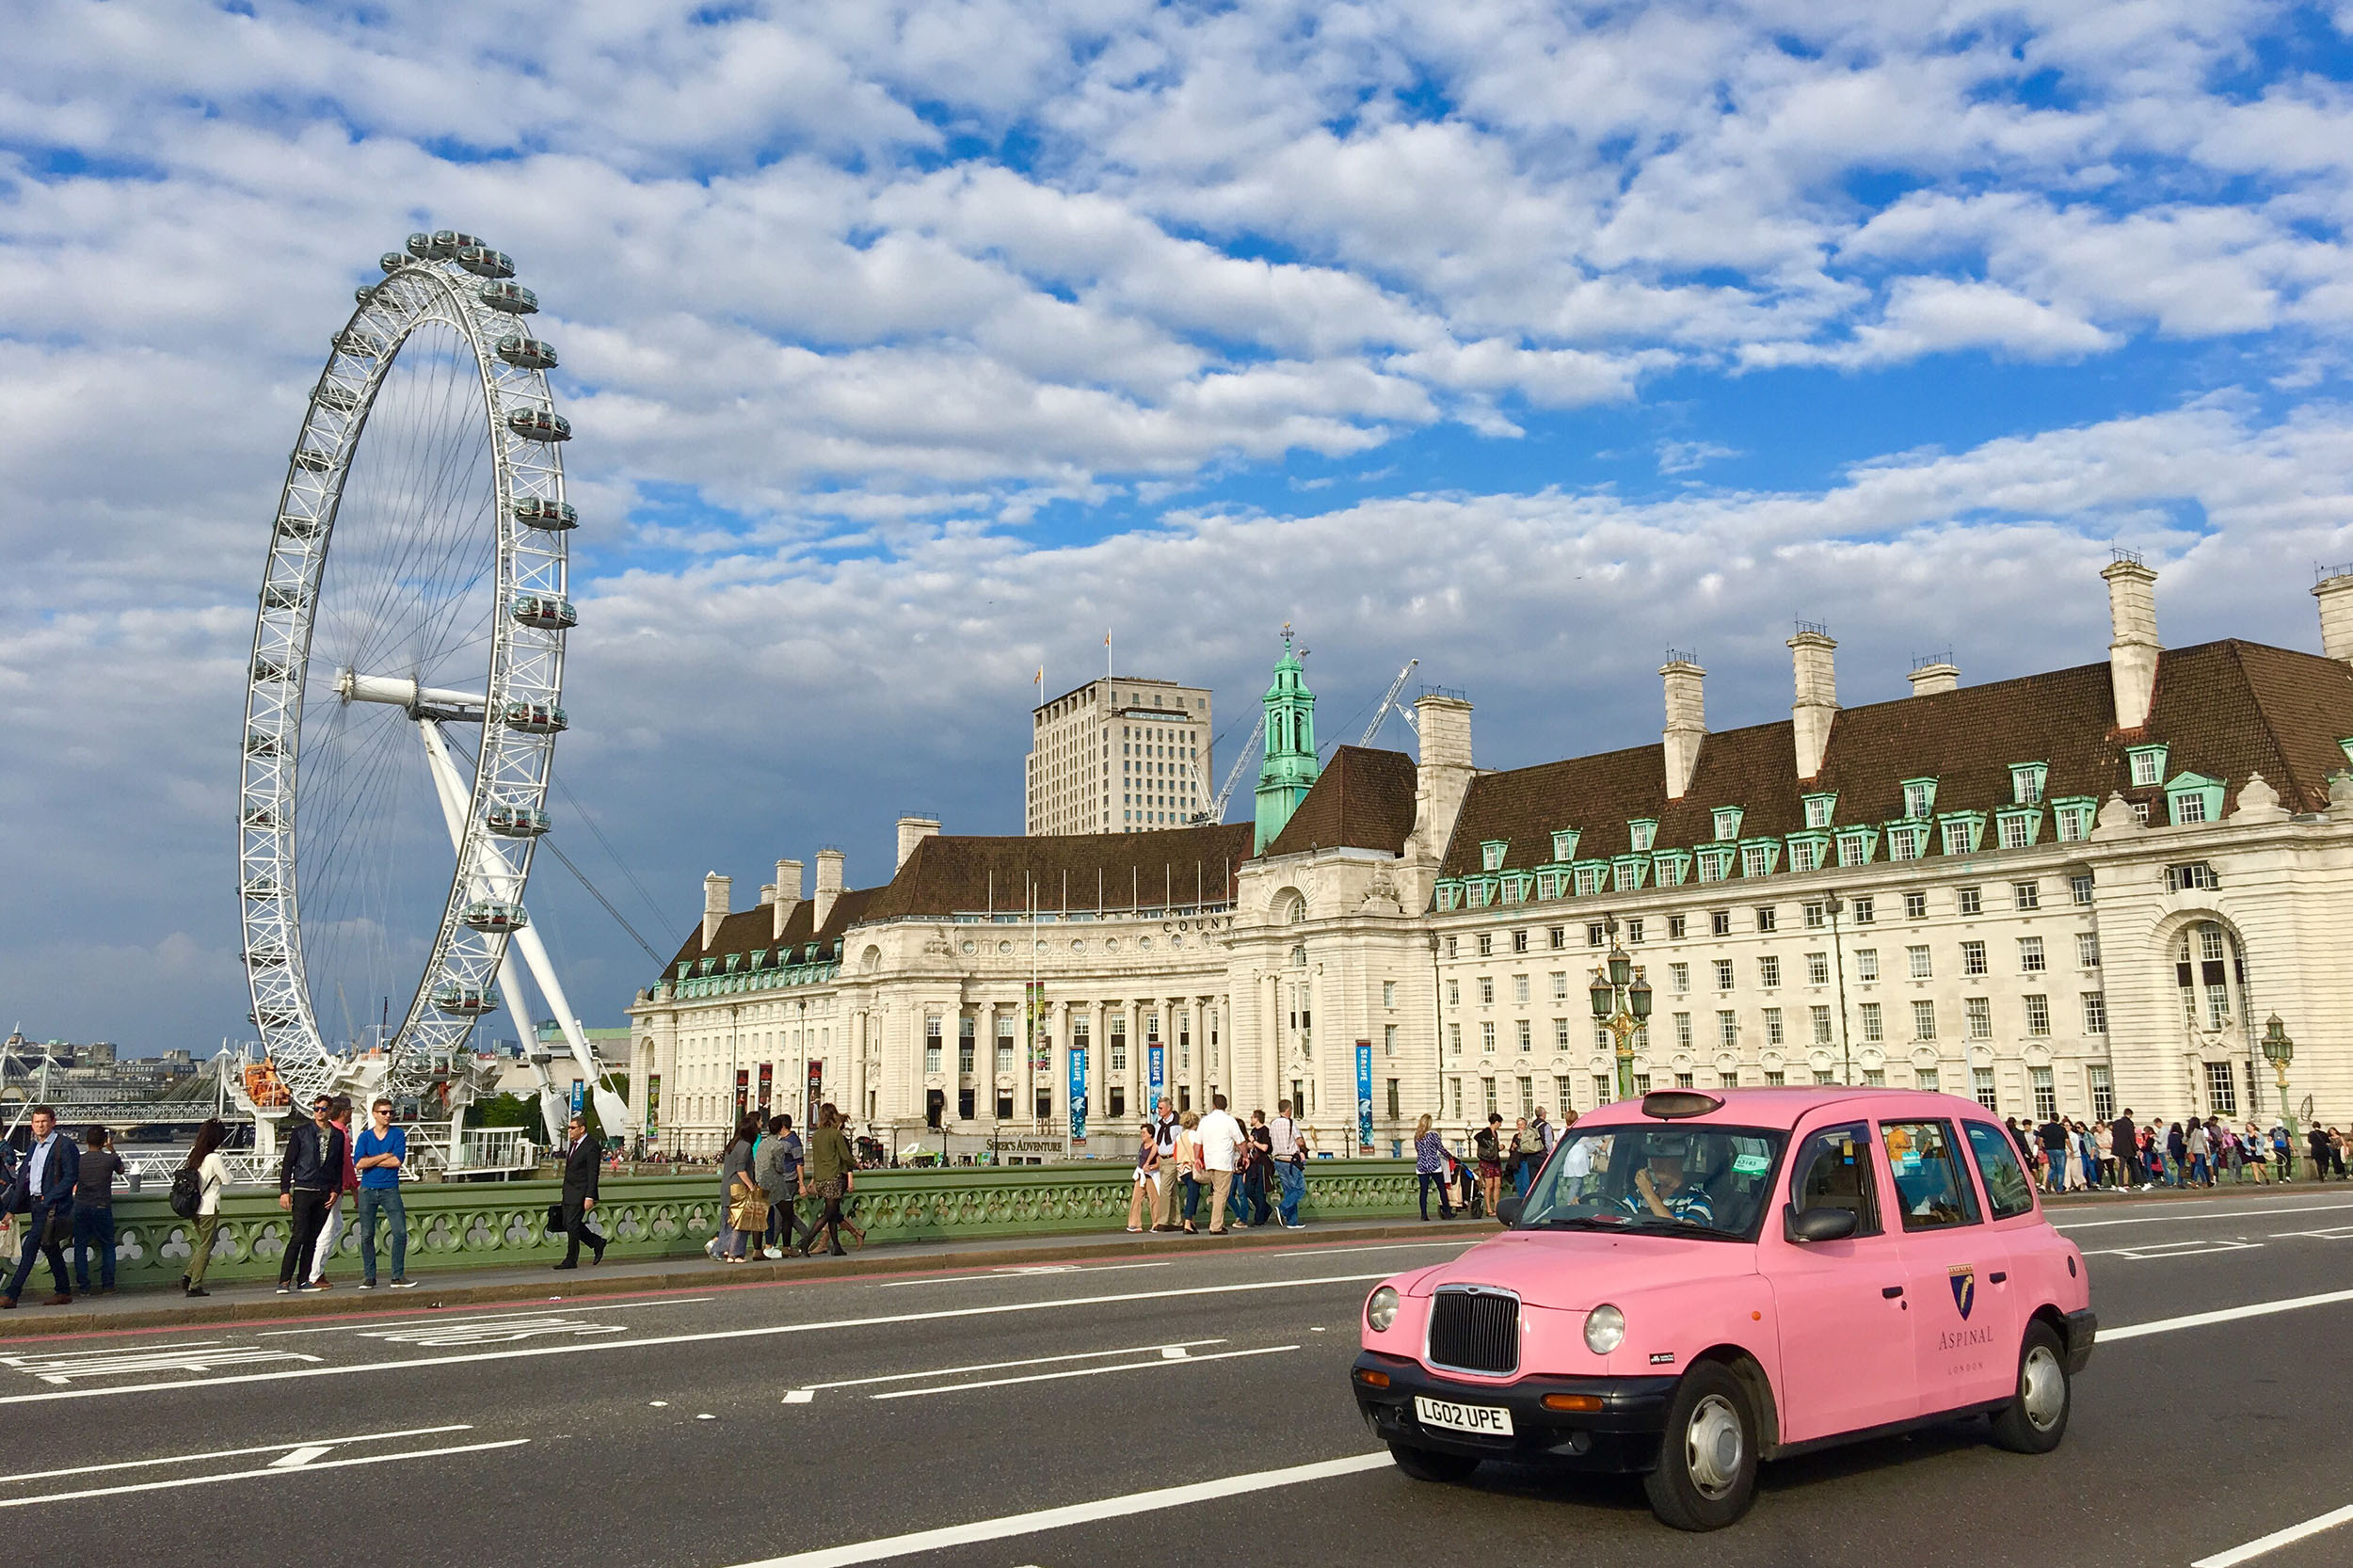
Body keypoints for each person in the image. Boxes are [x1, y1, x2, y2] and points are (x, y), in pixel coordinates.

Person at [5, 1107, 75, 1308]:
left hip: (51, 1206)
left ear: (53, 1122)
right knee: (50, 1247)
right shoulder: (34, 1148)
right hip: (36, 1204)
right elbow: (23, 1182)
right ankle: (63, 1291)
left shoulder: (64, 1145)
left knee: (29, 1248)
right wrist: (12, 1209)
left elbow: (71, 1176)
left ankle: (12, 1294)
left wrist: (50, 1198)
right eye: (36, 1122)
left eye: (44, 1121)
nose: (40, 1125)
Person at [277, 1095, 344, 1293]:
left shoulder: (337, 1135)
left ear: (330, 1110)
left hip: (324, 1191)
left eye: (323, 1109)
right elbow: (288, 1162)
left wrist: (336, 1189)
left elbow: (338, 1165)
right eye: (316, 1109)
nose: (319, 1112)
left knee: (313, 1238)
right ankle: (284, 1281)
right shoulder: (301, 1132)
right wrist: (284, 1191)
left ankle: (303, 1280)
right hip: (303, 1189)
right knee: (298, 1235)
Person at [353, 1096, 413, 1289]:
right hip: (367, 1190)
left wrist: (372, 1160)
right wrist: (384, 1156)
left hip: (390, 1189)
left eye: (391, 1112)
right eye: (384, 1112)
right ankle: (369, 1276)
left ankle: (397, 1276)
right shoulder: (365, 1137)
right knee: (367, 1235)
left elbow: (396, 1162)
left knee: (400, 1232)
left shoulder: (397, 1134)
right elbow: (359, 1164)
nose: (388, 1116)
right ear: (374, 1114)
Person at [307, 1096, 356, 1288]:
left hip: (318, 1186)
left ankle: (315, 1270)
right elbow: (344, 1165)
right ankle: (314, 1274)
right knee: (329, 1229)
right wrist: (354, 1190)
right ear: (344, 1112)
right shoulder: (339, 1134)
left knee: (334, 1226)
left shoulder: (325, 1131)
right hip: (333, 1188)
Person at [181, 1117, 232, 1297]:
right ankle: (194, 1284)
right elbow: (227, 1180)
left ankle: (188, 1275)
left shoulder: (195, 1154)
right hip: (210, 1206)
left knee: (207, 1241)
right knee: (206, 1244)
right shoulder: (214, 1157)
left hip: (194, 1207)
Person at [70, 1126, 122, 1296]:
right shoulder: (110, 1160)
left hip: (81, 1205)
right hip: (102, 1207)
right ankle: (108, 1285)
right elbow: (121, 1170)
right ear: (104, 1141)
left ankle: (84, 1286)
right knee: (107, 1245)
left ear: (86, 1141)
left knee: (80, 1247)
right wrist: (112, 1149)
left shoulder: (78, 1160)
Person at [1623, 1135, 1716, 1225]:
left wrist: (1650, 1195)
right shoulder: (1639, 1196)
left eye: (1665, 1156)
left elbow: (1685, 1237)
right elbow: (1613, 1222)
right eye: (1654, 1156)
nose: (1657, 1162)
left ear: (1681, 1158)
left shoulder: (1699, 1200)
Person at [800, 1104, 856, 1257]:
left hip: (821, 1178)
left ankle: (836, 1246)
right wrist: (855, 1164)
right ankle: (807, 1240)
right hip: (834, 1176)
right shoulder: (835, 1134)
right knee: (829, 1212)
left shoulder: (816, 1135)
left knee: (832, 1212)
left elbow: (816, 1158)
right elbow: (845, 1156)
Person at [552, 1113, 605, 1269]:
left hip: (581, 1192)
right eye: (569, 1127)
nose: (569, 1130)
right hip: (569, 1191)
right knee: (567, 1223)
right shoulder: (574, 1145)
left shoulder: (591, 1146)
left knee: (572, 1224)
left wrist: (590, 1196)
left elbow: (592, 1173)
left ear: (582, 1129)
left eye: (572, 1128)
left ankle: (571, 1259)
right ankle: (597, 1242)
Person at [760, 1115, 815, 1256]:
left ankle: (772, 1245)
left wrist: (801, 1184)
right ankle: (806, 1237)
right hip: (778, 1182)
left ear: (782, 1127)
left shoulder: (793, 1142)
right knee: (787, 1214)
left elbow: (799, 1163)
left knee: (780, 1215)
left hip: (788, 1181)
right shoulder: (780, 1142)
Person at [1195, 1094, 1244, 1235]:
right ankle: (1215, 1226)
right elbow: (1240, 1142)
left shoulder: (1205, 1121)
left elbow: (1197, 1143)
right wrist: (1245, 1156)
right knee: (1221, 1194)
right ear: (1226, 1105)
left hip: (1210, 1162)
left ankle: (1219, 1223)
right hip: (1224, 1162)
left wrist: (1196, 1158)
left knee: (1218, 1192)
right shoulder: (1230, 1121)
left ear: (1214, 1105)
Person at [1268, 1099, 1308, 1229]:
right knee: (1300, 1189)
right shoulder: (1290, 1123)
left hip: (1278, 1160)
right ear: (1289, 1110)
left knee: (1289, 1191)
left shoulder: (1273, 1123)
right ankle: (1282, 1209)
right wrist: (1304, 1147)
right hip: (1290, 1161)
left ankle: (1292, 1222)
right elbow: (1299, 1141)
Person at [1147, 1098, 1181, 1232]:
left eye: (1161, 1108)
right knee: (1172, 1191)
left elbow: (1181, 1143)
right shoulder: (1159, 1125)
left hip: (1172, 1159)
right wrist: (1148, 1161)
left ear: (1169, 1108)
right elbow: (1157, 1144)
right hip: (1162, 1160)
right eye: (1158, 1108)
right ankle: (1177, 1220)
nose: (1158, 1110)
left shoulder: (1177, 1125)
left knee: (1164, 1189)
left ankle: (1163, 1220)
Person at [1413, 1114, 1453, 1220]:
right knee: (1441, 1189)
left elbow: (1418, 1150)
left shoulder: (1417, 1136)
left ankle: (1424, 1214)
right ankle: (1447, 1212)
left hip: (1421, 1166)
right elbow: (1441, 1149)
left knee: (1423, 1191)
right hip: (1434, 1165)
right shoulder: (1433, 1135)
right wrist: (1450, 1156)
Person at [1125, 1113, 1160, 1233]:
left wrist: (1150, 1167)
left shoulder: (1156, 1146)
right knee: (1136, 1199)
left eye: (1144, 1133)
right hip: (1141, 1175)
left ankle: (1156, 1223)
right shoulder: (1142, 1145)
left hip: (1151, 1175)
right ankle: (1135, 1223)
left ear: (1150, 1134)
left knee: (1154, 1200)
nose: (1142, 1135)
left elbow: (1159, 1163)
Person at [1172, 1111, 1201, 1234]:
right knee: (1193, 1194)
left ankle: (1191, 1221)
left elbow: (1175, 1153)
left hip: (1181, 1168)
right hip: (1192, 1167)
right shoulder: (1194, 1135)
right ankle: (1188, 1222)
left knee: (1193, 1193)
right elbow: (1199, 1150)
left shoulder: (1179, 1137)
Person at [1474, 1113, 1504, 1221]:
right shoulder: (1487, 1131)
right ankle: (1489, 1209)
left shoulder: (1495, 1133)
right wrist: (1490, 1147)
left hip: (1495, 1161)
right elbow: (1477, 1137)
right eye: (1500, 1123)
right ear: (1496, 1122)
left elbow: (1494, 1148)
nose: (1500, 1125)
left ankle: (1496, 1207)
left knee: (1497, 1184)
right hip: (1487, 1161)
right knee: (1489, 1185)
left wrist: (1498, 1148)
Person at [2037, 1114, 2070, 1195]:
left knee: (2052, 1167)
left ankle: (2049, 1179)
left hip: (2049, 1150)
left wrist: (2040, 1148)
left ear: (2051, 1118)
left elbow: (2040, 1139)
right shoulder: (2061, 1129)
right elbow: (2067, 1140)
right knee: (2061, 1169)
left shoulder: (2045, 1128)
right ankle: (2059, 1188)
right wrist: (2071, 1150)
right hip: (2060, 1149)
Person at [2111, 1108, 2141, 1188]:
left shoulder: (2116, 1123)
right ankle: (2141, 1182)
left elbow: (2114, 1135)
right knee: (2135, 1166)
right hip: (2128, 1148)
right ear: (2130, 1115)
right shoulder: (2129, 1123)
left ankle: (2120, 1183)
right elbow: (2131, 1137)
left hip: (2119, 1148)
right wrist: (2136, 1148)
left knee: (2121, 1167)